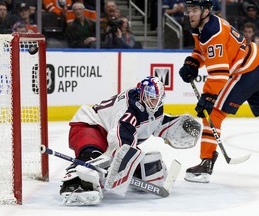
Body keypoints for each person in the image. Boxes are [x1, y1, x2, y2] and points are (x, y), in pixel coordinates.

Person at [59, 76, 202, 205]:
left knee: (143, 167)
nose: (155, 102)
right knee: (93, 157)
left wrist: (175, 125)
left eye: (158, 99)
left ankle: (122, 174)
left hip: (108, 133)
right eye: (151, 97)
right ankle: (74, 183)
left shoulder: (151, 107)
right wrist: (118, 165)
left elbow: (155, 124)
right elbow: (121, 142)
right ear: (142, 94)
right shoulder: (129, 111)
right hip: (90, 126)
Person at [179, 0, 259, 183]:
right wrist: (193, 62)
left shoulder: (211, 32)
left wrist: (208, 96)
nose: (190, 14)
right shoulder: (205, 24)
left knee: (213, 112)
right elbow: (201, 50)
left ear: (206, 11)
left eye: (195, 10)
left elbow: (220, 73)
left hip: (245, 71)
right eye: (189, 10)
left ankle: (206, 164)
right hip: (255, 61)